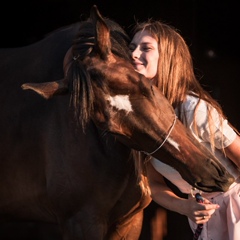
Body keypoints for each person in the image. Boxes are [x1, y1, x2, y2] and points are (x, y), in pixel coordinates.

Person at [129, 19, 240, 240]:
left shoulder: (193, 109)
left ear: (168, 57)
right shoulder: (140, 123)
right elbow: (154, 184)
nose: (133, 54)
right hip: (203, 218)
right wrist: (185, 207)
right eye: (131, 47)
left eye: (146, 47)